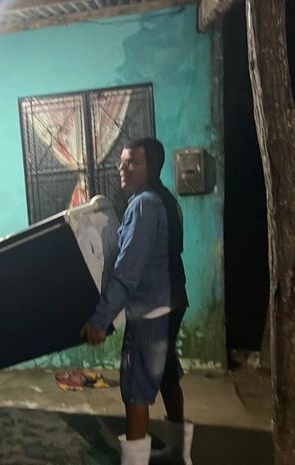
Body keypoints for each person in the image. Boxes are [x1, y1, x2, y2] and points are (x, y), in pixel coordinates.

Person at [81, 137, 192, 465]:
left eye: (133, 162)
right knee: (167, 375)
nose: (123, 168)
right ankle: (180, 454)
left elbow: (127, 271)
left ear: (152, 167)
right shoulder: (167, 200)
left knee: (135, 391)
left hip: (150, 311)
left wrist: (100, 320)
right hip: (174, 302)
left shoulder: (143, 205)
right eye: (122, 161)